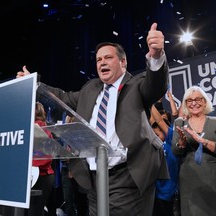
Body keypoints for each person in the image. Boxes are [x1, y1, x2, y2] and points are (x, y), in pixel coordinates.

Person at [17, 22, 169, 216]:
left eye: (108, 58)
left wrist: (156, 57)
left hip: (128, 175)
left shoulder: (137, 84)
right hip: (94, 178)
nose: (102, 63)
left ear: (123, 62)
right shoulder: (90, 88)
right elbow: (62, 98)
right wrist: (34, 84)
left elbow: (156, 85)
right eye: (98, 60)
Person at [171, 85, 216, 216]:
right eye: (189, 100)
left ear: (205, 102)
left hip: (213, 176)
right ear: (186, 104)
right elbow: (175, 152)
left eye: (198, 99)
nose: (194, 103)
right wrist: (181, 143)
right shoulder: (180, 123)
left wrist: (202, 141)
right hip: (189, 177)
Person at [150, 105, 180, 216]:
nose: (155, 132)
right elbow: (151, 121)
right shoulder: (151, 144)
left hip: (167, 194)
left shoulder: (171, 140)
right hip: (152, 194)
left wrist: (150, 102)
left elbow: (158, 120)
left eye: (159, 130)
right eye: (153, 130)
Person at [29, 101, 56, 216]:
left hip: (41, 176)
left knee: (34, 211)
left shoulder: (40, 127)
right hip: (41, 177)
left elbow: (45, 156)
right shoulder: (44, 127)